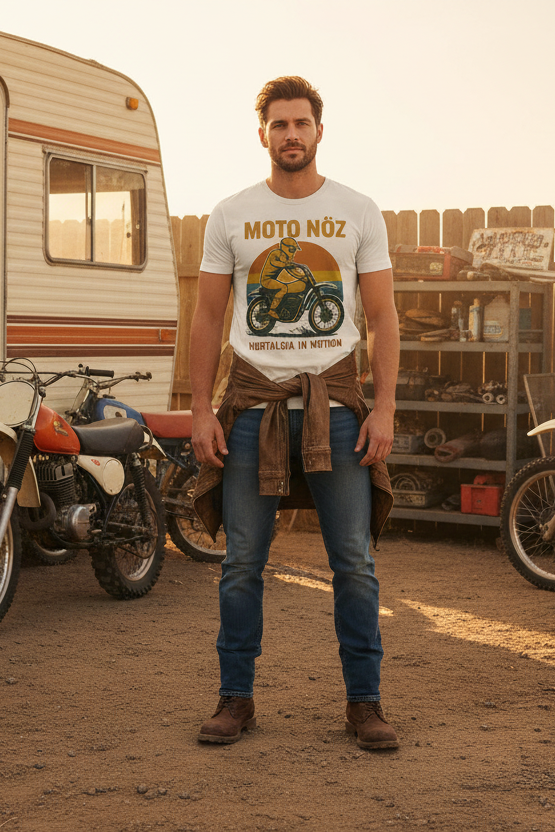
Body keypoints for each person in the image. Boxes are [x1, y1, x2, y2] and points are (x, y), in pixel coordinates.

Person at [189, 76, 400, 750]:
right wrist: (199, 408)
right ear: (262, 135)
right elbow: (207, 314)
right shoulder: (230, 214)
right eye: (278, 124)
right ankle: (235, 699)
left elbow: (382, 314)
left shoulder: (358, 211)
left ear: (317, 131)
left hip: (335, 406)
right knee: (242, 562)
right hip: (252, 405)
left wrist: (384, 407)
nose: (289, 135)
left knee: (354, 563)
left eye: (299, 123)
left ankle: (363, 704)